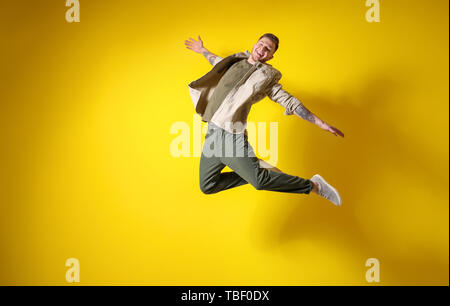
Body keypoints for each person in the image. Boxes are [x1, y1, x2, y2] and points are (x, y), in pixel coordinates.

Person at [185, 34, 344, 206]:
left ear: (271, 56)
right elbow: (216, 61)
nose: (262, 49)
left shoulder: (266, 76)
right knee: (208, 185)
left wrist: (320, 123)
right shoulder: (235, 62)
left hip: (230, 132)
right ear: (255, 44)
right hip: (212, 131)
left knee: (259, 181)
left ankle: (314, 185)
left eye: (267, 49)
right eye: (261, 44)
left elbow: (288, 101)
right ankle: (252, 168)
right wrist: (202, 50)